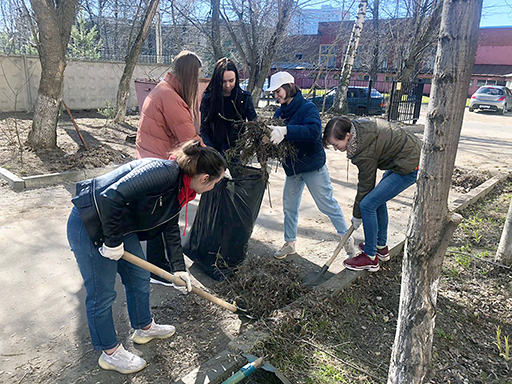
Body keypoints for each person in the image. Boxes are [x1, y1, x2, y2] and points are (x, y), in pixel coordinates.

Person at [67, 141, 227, 374]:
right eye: (215, 182)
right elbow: (111, 196)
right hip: (90, 223)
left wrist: (178, 269)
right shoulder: (162, 173)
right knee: (102, 293)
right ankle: (109, 353)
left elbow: (170, 226)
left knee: (139, 277)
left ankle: (144, 327)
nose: (213, 187)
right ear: (204, 178)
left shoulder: (181, 189)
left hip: (120, 226)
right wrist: (112, 242)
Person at [266, 71, 354, 259]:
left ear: (289, 87)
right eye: (273, 93)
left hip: (313, 165)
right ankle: (290, 243)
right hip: (293, 168)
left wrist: (286, 130)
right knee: (289, 206)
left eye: (278, 91)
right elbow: (279, 139)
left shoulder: (308, 108)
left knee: (327, 204)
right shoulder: (279, 112)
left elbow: (313, 132)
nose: (276, 96)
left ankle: (347, 241)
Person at [136, 50, 203, 284]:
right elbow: (189, 139)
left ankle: (158, 266)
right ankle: (159, 269)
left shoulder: (163, 90)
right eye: (196, 77)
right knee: (166, 216)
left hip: (151, 160)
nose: (196, 83)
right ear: (188, 75)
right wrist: (213, 159)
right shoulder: (170, 97)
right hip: (159, 164)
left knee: (159, 215)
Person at [322, 116, 421, 272]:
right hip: (405, 156)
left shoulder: (363, 150)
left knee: (368, 204)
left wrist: (357, 215)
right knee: (377, 199)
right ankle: (380, 248)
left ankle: (370, 258)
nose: (335, 148)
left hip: (410, 164)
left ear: (347, 136)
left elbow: (365, 186)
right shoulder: (359, 131)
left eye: (336, 144)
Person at [200, 57, 257, 162]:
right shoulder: (208, 99)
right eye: (223, 81)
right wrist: (212, 152)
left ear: (236, 78)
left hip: (236, 151)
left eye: (231, 81)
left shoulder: (245, 98)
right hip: (214, 152)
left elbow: (254, 124)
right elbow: (204, 129)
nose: (227, 85)